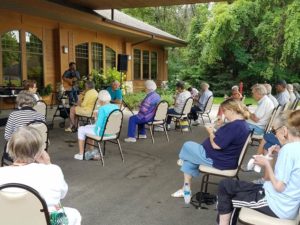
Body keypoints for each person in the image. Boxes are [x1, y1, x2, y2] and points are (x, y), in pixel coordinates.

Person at [217, 110, 300, 225]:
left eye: (274, 131)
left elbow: (279, 187)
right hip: (284, 203)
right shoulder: (292, 149)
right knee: (226, 185)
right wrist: (278, 153)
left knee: (227, 194)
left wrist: (266, 163)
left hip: (276, 205)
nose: (274, 134)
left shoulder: (289, 150)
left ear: (285, 131)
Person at [0, 127, 81, 225]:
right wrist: (48, 164)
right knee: (74, 214)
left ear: (10, 148)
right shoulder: (53, 170)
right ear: (39, 151)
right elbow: (62, 195)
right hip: (45, 221)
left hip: (11, 220)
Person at [171, 99, 250, 199]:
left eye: (224, 111)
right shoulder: (240, 124)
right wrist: (218, 128)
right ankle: (185, 189)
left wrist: (210, 132)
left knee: (188, 145)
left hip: (219, 159)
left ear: (232, 110)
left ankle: (185, 181)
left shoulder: (235, 126)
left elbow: (217, 145)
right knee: (190, 156)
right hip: (223, 157)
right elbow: (225, 139)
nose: (224, 114)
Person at [74, 90, 119, 160]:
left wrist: (95, 117)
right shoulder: (115, 107)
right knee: (86, 127)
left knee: (80, 129)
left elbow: (98, 124)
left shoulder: (102, 109)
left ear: (100, 100)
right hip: (113, 132)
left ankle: (81, 154)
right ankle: (91, 151)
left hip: (102, 132)